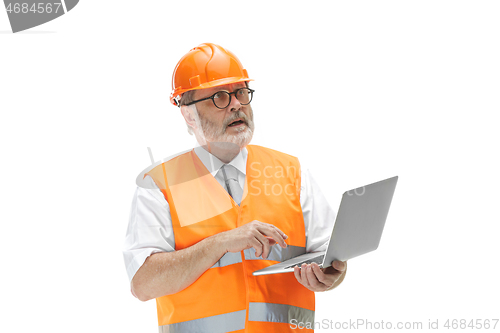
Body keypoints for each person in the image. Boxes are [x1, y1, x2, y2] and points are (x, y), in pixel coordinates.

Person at [123, 43, 347, 332]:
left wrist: (331, 275)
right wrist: (220, 243)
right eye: (219, 96)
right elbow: (143, 284)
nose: (236, 103)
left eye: (241, 92)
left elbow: (330, 257)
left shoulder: (292, 171)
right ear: (188, 115)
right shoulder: (158, 185)